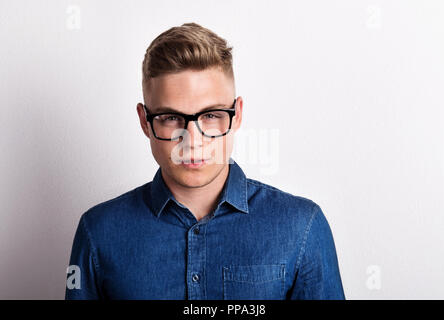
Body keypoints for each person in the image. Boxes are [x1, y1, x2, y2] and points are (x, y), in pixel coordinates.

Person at [65, 22, 345, 300]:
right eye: (171, 118)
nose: (192, 140)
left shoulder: (302, 227)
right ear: (144, 121)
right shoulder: (98, 232)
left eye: (210, 116)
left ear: (237, 115)